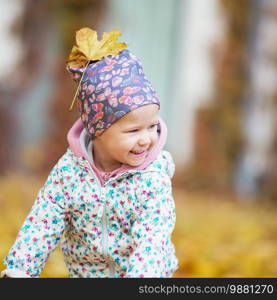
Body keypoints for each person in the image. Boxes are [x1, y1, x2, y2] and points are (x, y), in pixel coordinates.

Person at [1, 28, 178, 278]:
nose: (147, 139)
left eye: (152, 126)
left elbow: (152, 240)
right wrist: (20, 270)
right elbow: (44, 219)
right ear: (98, 130)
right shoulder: (70, 171)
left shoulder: (152, 178)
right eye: (133, 130)